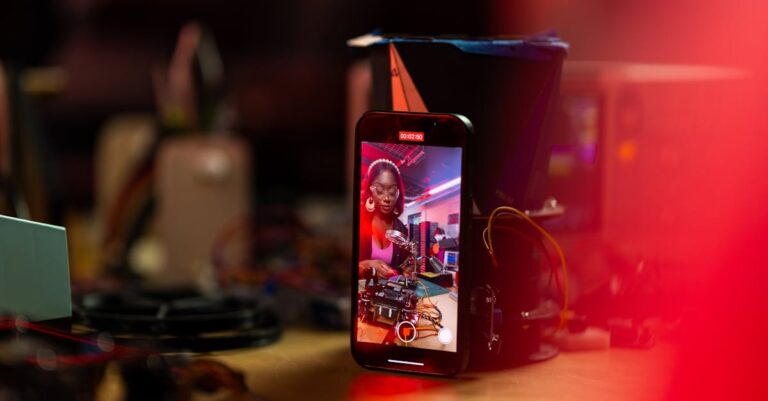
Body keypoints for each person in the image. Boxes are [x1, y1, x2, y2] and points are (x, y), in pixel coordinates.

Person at [358, 158, 410, 279]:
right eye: (380, 191)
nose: (387, 198)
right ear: (370, 191)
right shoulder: (358, 222)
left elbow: (402, 269)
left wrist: (408, 268)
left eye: (392, 192)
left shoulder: (401, 230)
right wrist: (364, 266)